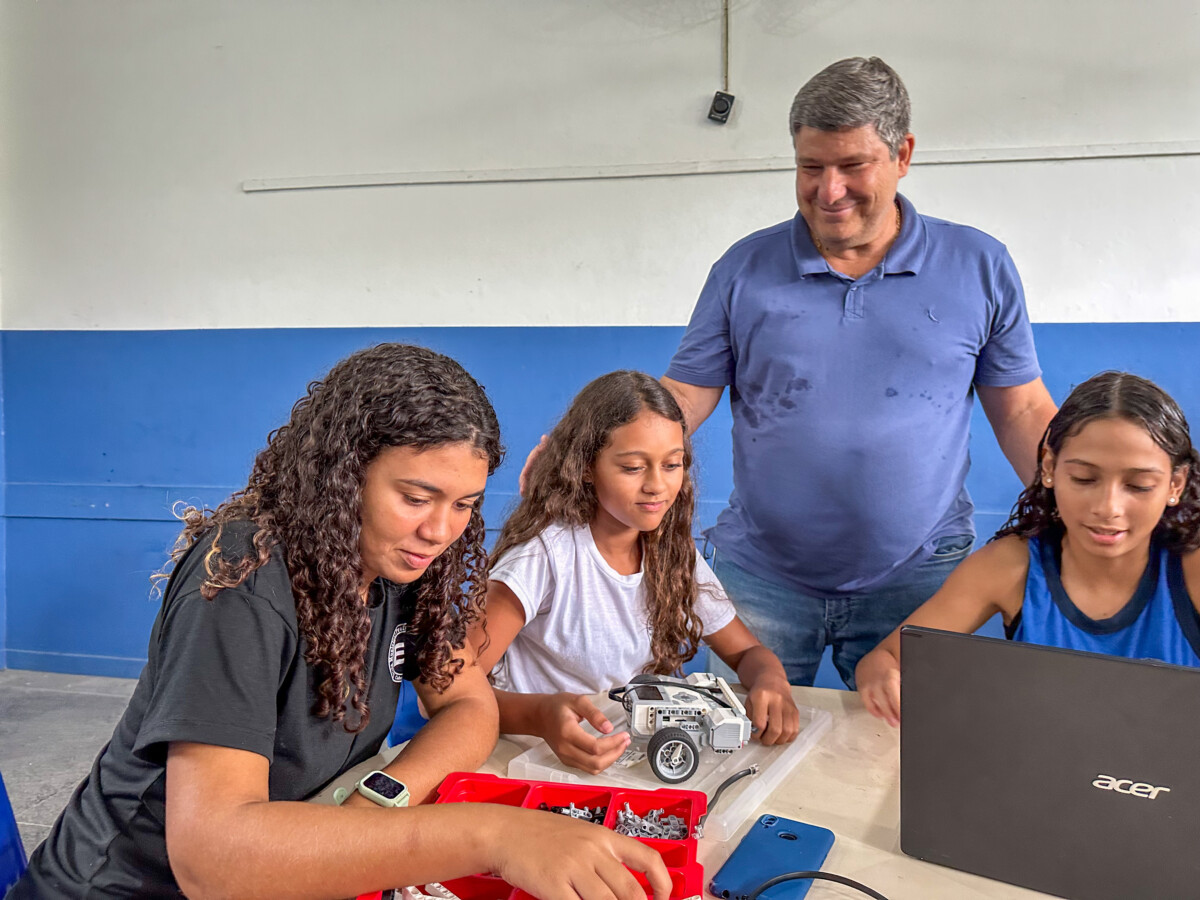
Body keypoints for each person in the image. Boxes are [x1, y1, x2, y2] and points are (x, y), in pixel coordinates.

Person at [8, 345, 669, 900]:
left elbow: (470, 706)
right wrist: (489, 835)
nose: (439, 531)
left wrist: (380, 798)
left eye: (464, 504)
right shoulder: (244, 577)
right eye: (415, 497)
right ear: (341, 475)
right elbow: (211, 859)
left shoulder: (403, 566)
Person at [659, 56, 1058, 687]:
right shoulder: (743, 269)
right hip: (761, 578)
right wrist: (595, 440)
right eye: (810, 167)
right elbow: (683, 395)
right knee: (741, 762)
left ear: (903, 154)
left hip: (921, 576)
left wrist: (1082, 501)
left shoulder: (979, 265)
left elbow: (1023, 410)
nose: (829, 189)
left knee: (910, 765)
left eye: (852, 166)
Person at [477, 371, 799, 775]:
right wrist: (538, 716)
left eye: (672, 464)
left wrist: (770, 679)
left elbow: (748, 652)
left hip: (617, 762)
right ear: (586, 467)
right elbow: (447, 688)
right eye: (632, 467)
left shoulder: (673, 555)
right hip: (524, 763)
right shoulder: (544, 557)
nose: (657, 485)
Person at [856, 371, 1200, 727]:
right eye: (1084, 479)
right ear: (1049, 467)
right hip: (1042, 774)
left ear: (1175, 484)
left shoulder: (1191, 572)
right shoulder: (1009, 568)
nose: (1108, 507)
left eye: (1139, 485)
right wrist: (883, 675)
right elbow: (885, 658)